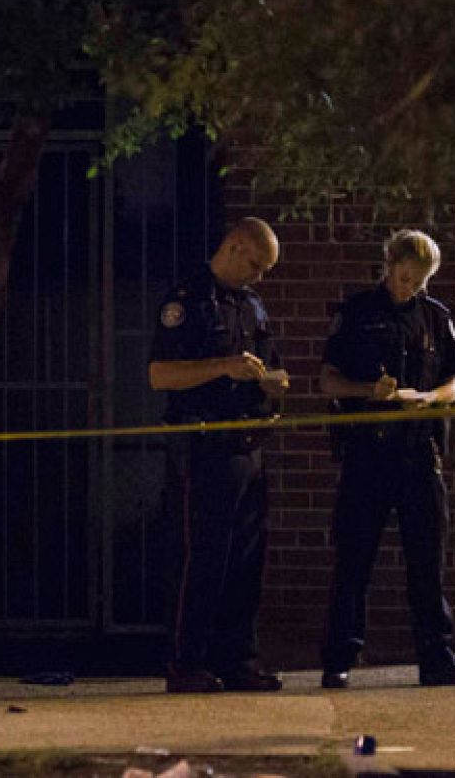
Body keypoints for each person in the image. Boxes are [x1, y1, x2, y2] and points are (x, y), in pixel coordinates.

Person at [318, 229, 455, 689]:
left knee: (428, 562)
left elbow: (453, 380)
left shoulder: (435, 317)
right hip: (367, 454)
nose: (411, 288)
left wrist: (431, 399)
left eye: (420, 281)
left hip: (419, 454)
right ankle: (339, 658)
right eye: (405, 277)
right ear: (388, 263)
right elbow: (328, 381)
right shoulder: (357, 314)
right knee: (354, 560)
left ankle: (436, 657)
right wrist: (370, 392)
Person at [149, 217, 289, 693]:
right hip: (204, 447)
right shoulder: (187, 301)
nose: (261, 276)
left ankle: (238, 661)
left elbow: (264, 362)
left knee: (247, 561)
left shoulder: (250, 304)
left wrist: (271, 380)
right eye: (257, 264)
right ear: (233, 247)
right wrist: (223, 367)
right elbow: (160, 375)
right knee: (201, 558)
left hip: (249, 447)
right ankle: (186, 663)